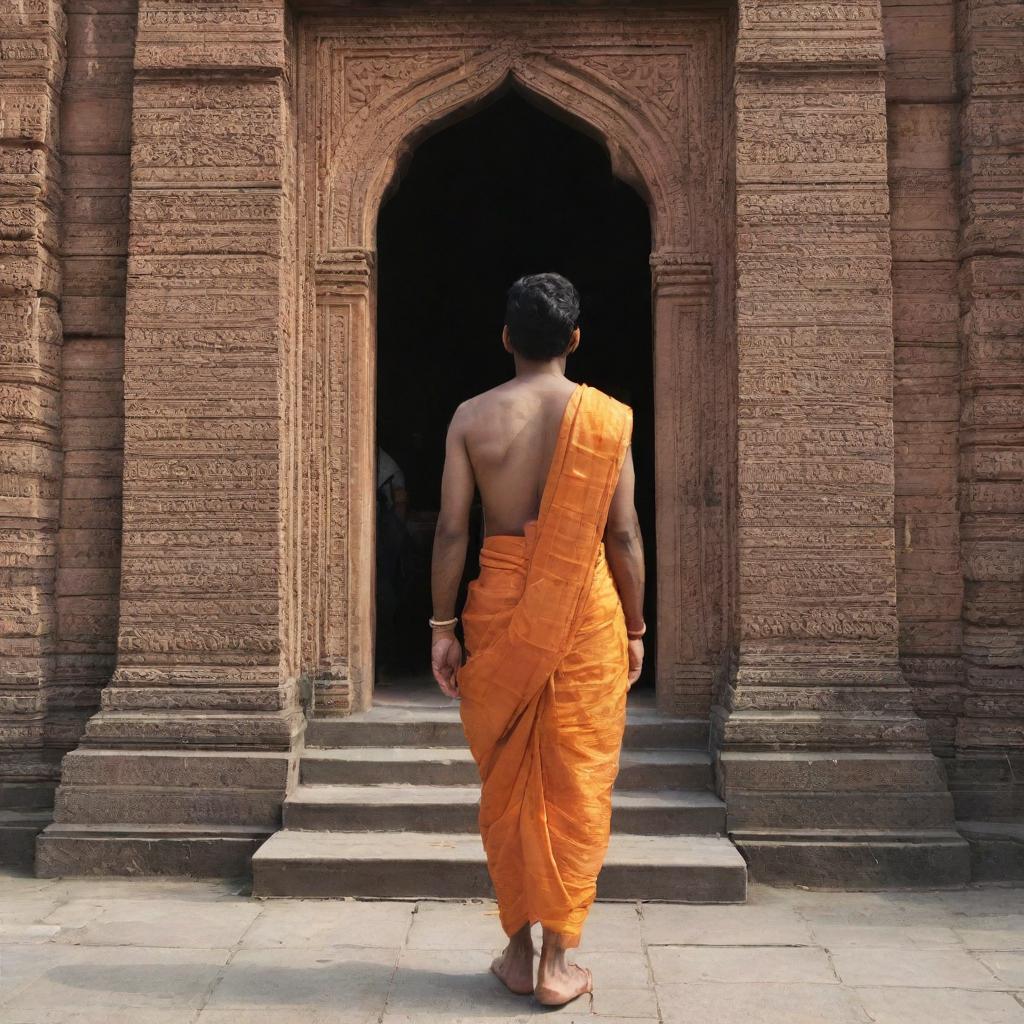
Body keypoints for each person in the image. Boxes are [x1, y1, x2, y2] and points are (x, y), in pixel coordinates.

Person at [429, 272, 646, 1006]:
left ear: (506, 338)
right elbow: (623, 536)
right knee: (575, 784)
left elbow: (453, 529)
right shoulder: (608, 419)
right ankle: (556, 962)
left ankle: (520, 954)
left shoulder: (471, 418)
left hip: (496, 608)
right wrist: (640, 627)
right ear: (575, 340)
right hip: (587, 611)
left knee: (511, 784)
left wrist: (441, 628)